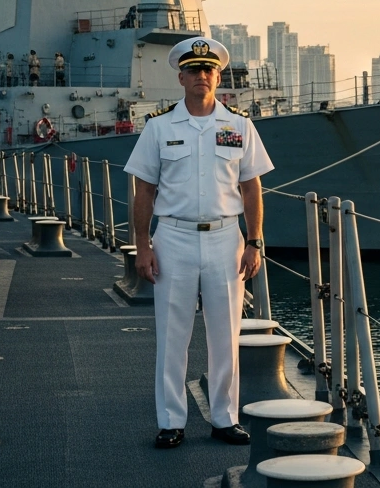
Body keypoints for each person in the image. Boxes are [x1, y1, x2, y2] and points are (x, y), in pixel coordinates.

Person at [124, 37, 273, 450]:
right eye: (193, 70)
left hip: (227, 239)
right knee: (173, 335)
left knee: (226, 335)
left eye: (208, 70)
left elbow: (251, 187)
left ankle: (225, 418)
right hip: (172, 238)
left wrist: (255, 241)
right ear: (181, 77)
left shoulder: (240, 125)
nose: (201, 76)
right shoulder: (159, 127)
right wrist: (143, 246)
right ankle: (171, 421)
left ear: (217, 76)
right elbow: (144, 191)